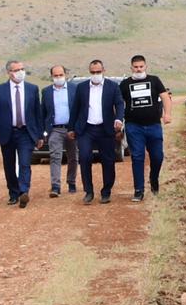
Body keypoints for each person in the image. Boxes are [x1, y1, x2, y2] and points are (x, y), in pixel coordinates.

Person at [0, 59, 42, 208]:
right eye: (16, 70)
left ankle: (24, 192)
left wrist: (39, 135)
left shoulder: (32, 89)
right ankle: (13, 193)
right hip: (7, 133)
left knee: (24, 163)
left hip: (26, 133)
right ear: (9, 72)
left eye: (22, 69)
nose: (20, 72)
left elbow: (38, 113)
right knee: (9, 165)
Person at [68, 59, 124, 204]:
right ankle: (88, 191)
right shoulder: (81, 87)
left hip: (106, 129)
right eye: (93, 72)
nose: (96, 74)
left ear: (103, 71)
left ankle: (106, 191)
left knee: (108, 160)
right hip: (86, 129)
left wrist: (118, 119)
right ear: (89, 72)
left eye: (98, 72)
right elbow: (75, 108)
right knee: (85, 157)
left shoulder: (112, 86)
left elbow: (119, 104)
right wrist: (71, 128)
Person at [120, 54, 172, 201]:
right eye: (136, 67)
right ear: (131, 68)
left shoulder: (154, 80)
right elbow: (118, 103)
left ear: (146, 66)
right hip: (133, 126)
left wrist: (167, 114)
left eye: (141, 66)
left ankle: (153, 178)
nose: (138, 69)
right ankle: (139, 190)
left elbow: (165, 97)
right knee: (137, 156)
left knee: (157, 156)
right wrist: (118, 120)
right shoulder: (124, 84)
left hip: (154, 125)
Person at [40, 64, 79, 197]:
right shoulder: (46, 92)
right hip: (55, 129)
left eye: (60, 75)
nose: (58, 77)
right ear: (51, 76)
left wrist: (77, 127)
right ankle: (55, 186)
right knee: (55, 157)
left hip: (71, 129)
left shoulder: (74, 89)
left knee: (73, 157)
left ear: (65, 74)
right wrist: (44, 131)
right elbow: (43, 112)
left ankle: (71, 181)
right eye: (55, 75)